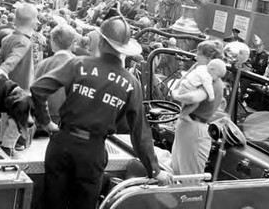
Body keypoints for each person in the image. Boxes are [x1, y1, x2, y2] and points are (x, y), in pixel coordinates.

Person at [31, 15, 170, 209]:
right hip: (92, 152)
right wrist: (154, 170)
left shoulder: (79, 64)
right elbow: (140, 133)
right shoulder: (131, 83)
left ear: (102, 41)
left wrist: (46, 122)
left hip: (62, 144)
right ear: (124, 48)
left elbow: (38, 89)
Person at [171, 39, 224, 176]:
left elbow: (194, 98)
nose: (195, 57)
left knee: (189, 179)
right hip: (188, 126)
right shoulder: (201, 74)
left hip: (194, 128)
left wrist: (176, 96)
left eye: (199, 54)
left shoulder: (210, 79)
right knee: (177, 173)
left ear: (208, 58)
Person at [34, 24, 77, 124]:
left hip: (47, 114)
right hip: (70, 115)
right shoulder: (80, 65)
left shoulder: (43, 64)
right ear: (72, 42)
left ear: (52, 41)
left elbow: (35, 92)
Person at [0, 3, 38, 91]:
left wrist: (1, 69)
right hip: (20, 91)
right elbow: (16, 56)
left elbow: (0, 60)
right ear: (34, 23)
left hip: (6, 86)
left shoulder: (6, 38)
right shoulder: (24, 42)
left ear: (15, 20)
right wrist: (4, 69)